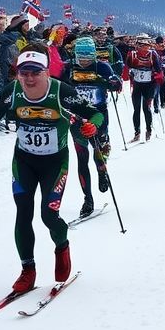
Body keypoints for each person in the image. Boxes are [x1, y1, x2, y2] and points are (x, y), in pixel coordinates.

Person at [0, 45, 104, 292]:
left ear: (46, 72)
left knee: (48, 215)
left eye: (35, 72)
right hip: (24, 161)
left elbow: (94, 114)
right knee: (23, 212)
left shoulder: (61, 91)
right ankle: (27, 270)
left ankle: (61, 246)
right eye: (24, 73)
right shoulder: (11, 91)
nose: (29, 78)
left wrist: (92, 126)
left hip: (55, 162)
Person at [61, 35, 122, 218]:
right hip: (77, 118)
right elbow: (58, 87)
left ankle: (102, 171)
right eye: (81, 57)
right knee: (82, 158)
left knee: (99, 151)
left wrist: (111, 82)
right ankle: (87, 199)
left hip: (99, 115)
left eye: (88, 57)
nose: (85, 61)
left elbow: (116, 83)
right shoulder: (69, 67)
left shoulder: (102, 66)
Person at [125, 34, 162, 142]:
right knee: (136, 109)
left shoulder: (152, 55)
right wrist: (128, 73)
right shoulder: (132, 55)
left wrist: (156, 77)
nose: (143, 47)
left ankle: (148, 130)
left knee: (146, 108)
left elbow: (159, 70)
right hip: (137, 85)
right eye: (141, 45)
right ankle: (137, 132)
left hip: (149, 85)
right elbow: (126, 67)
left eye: (145, 45)